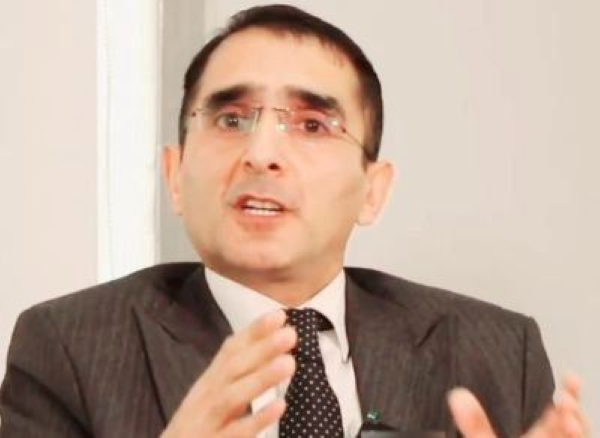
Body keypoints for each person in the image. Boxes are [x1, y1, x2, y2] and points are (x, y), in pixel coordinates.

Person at [0, 4, 588, 438]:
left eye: (311, 125)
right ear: (176, 175)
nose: (261, 153)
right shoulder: (69, 349)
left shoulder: (496, 352)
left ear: (373, 192)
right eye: (231, 119)